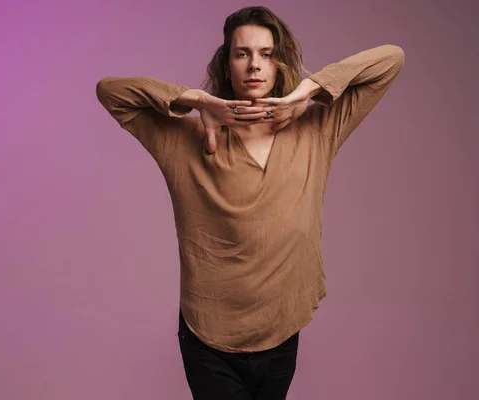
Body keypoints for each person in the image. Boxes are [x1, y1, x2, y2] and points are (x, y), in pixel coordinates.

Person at [96, 5, 404, 400]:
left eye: (267, 54)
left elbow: (391, 58)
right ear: (227, 65)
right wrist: (199, 101)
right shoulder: (185, 138)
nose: (255, 65)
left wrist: (306, 92)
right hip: (209, 339)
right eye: (242, 54)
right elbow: (111, 91)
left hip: (281, 333)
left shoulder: (317, 130)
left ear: (279, 64)